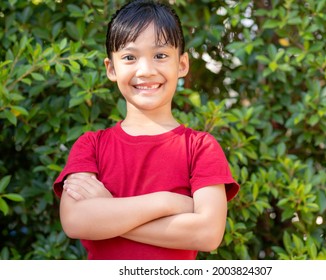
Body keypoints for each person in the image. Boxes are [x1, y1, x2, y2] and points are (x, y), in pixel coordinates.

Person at [53, 0, 239, 260]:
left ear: (182, 64)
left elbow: (207, 233)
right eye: (129, 57)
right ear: (111, 68)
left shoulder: (200, 147)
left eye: (160, 55)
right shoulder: (91, 145)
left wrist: (107, 212)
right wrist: (167, 202)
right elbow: (75, 221)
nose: (146, 70)